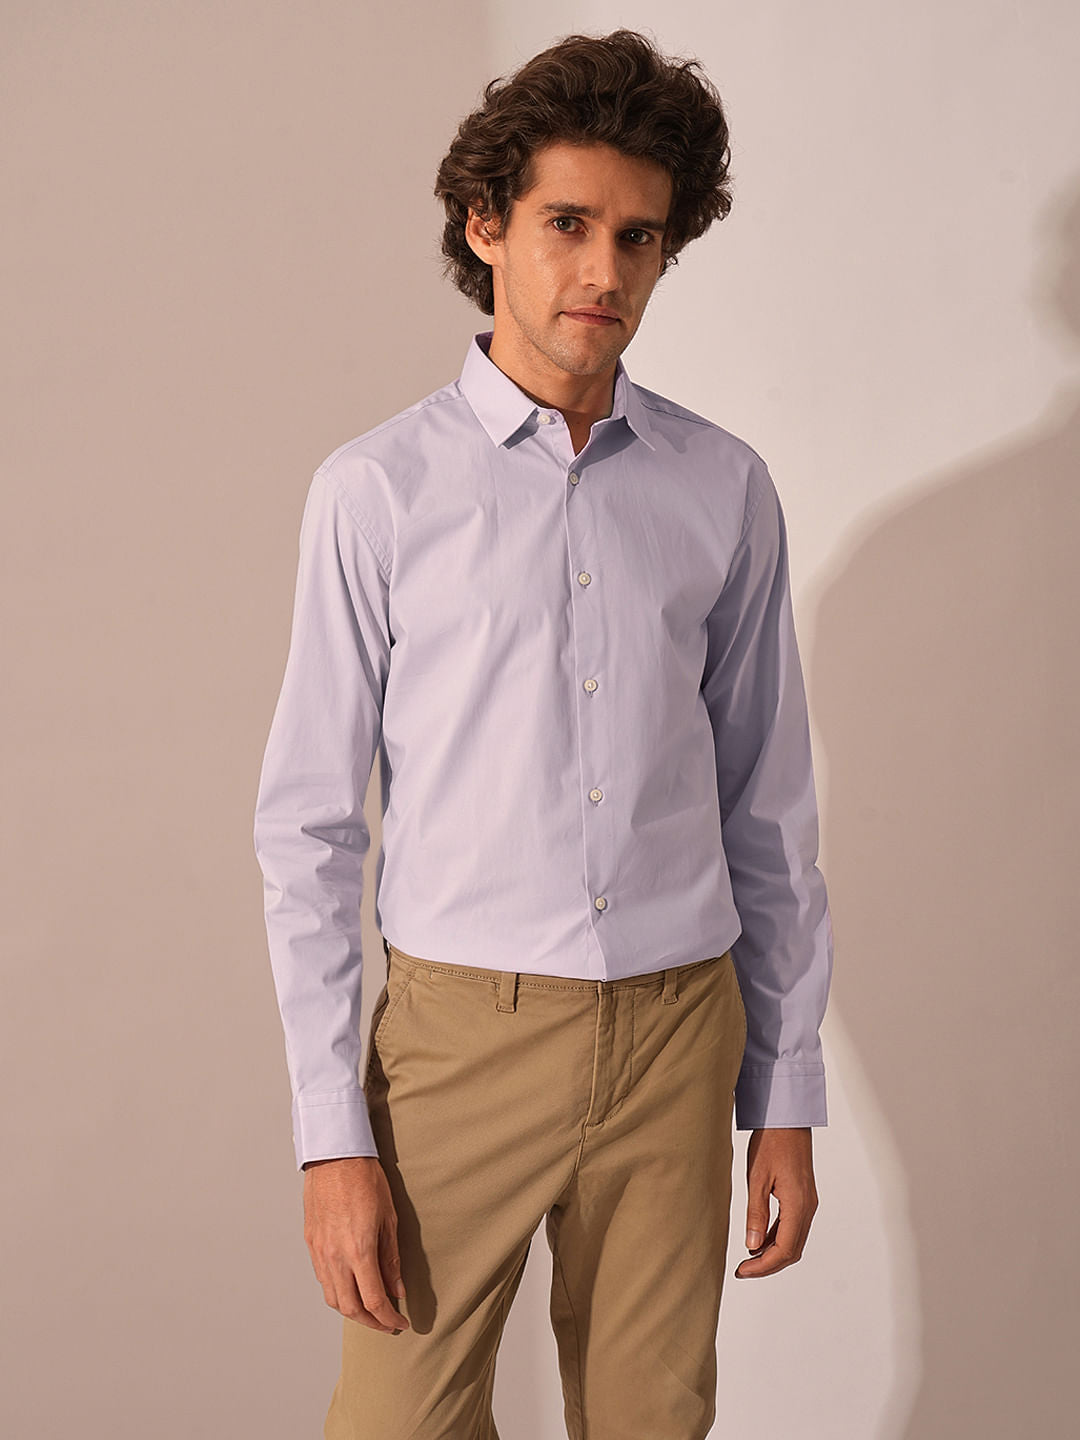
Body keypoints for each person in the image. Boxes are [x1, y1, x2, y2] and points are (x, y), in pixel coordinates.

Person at [253, 27, 834, 1440]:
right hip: (458, 1043)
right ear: (486, 224)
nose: (604, 272)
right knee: (397, 1424)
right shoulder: (378, 493)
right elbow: (310, 827)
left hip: (679, 1035)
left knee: (653, 1426)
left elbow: (766, 804)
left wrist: (787, 1090)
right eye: (568, 224)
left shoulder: (723, 488)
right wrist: (332, 1134)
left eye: (639, 238)